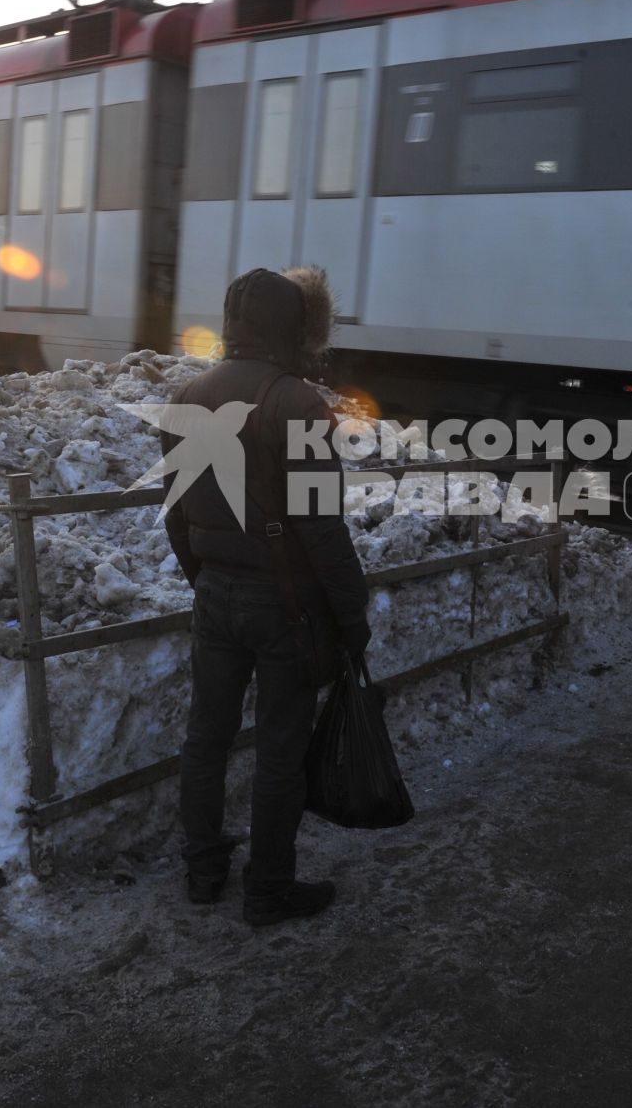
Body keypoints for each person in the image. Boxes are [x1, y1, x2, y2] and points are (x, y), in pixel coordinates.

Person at [162, 265, 370, 927]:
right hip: (284, 604)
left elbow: (175, 517)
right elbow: (323, 525)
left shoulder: (185, 397)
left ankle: (203, 871)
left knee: (207, 737)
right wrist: (350, 612)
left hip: (216, 594)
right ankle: (269, 888)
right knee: (280, 747)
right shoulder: (300, 404)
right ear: (295, 327)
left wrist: (207, 581)